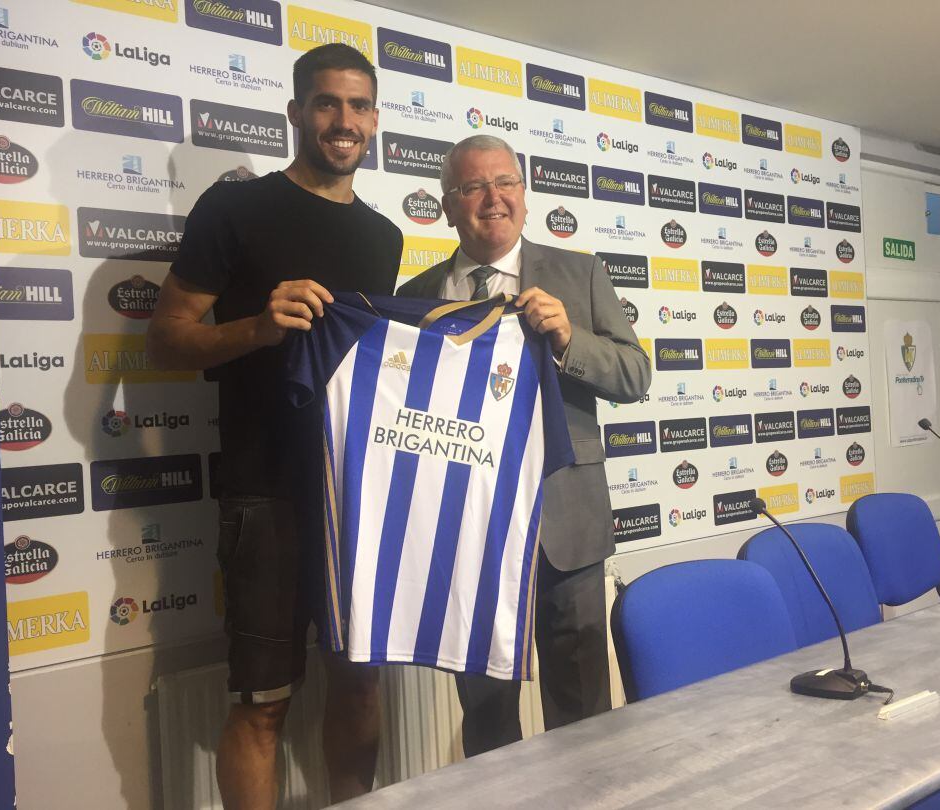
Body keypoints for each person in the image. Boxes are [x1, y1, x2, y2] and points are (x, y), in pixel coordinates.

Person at [147, 44, 402, 809]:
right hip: (263, 490)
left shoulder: (384, 236)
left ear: (376, 121)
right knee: (263, 703)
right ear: (296, 112)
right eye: (327, 103)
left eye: (358, 106)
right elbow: (163, 341)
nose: (344, 120)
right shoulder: (234, 209)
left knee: (360, 685)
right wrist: (257, 327)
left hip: (354, 491)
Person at [397, 134, 651, 756]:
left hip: (564, 525)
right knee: (486, 718)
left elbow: (634, 375)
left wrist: (568, 339)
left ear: (525, 195)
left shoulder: (578, 272)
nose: (492, 199)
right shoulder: (413, 299)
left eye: (505, 182)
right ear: (448, 205)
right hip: (467, 533)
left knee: (584, 710)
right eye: (473, 187)